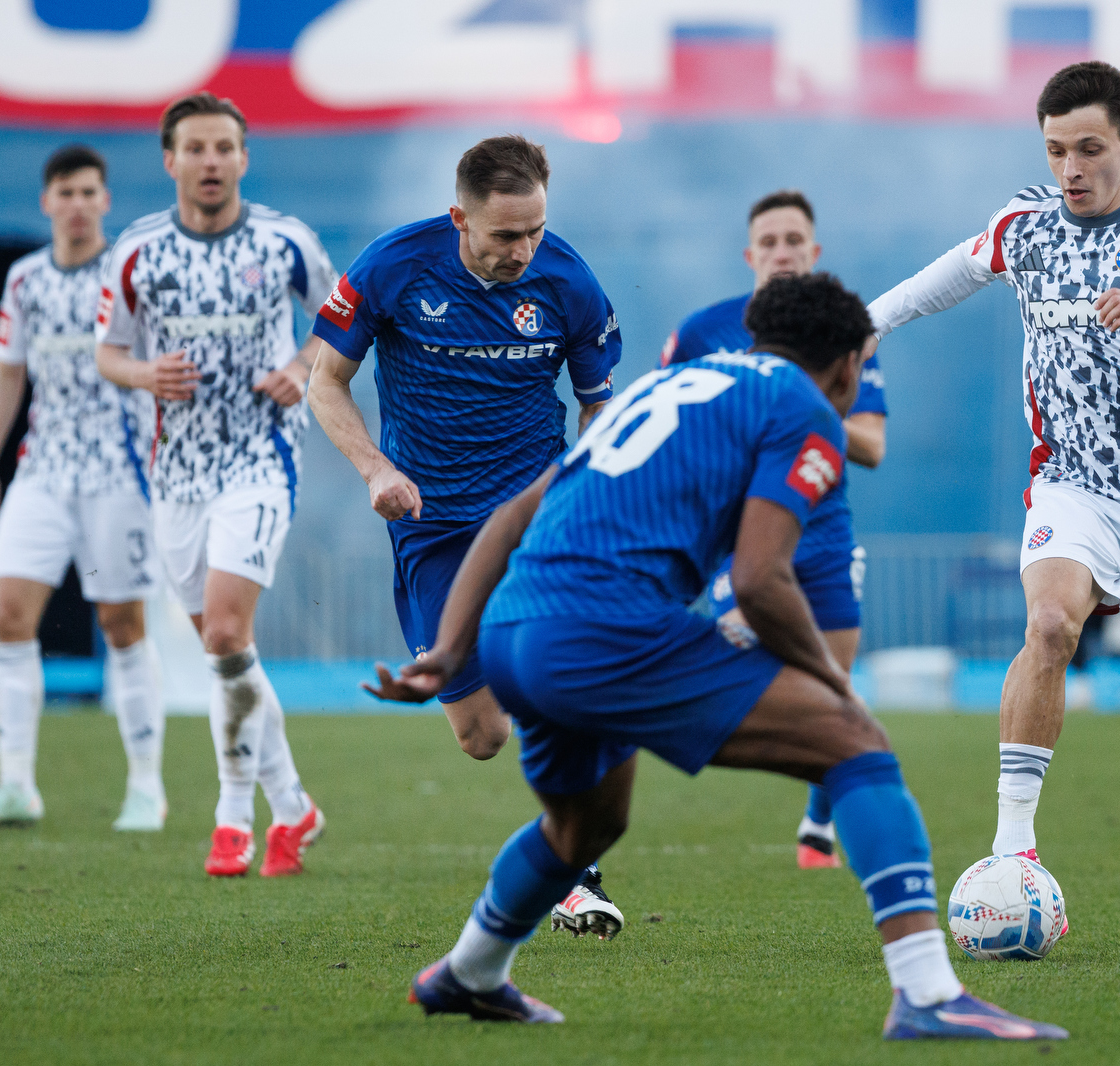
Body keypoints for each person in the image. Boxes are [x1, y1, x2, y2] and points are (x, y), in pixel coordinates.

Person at [366, 273, 1067, 1041]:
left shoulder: (659, 388)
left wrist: (452, 650)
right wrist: (832, 683)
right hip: (605, 628)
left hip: (513, 633)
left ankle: (467, 973)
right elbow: (761, 581)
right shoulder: (804, 407)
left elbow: (508, 520)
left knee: (584, 827)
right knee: (855, 742)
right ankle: (928, 993)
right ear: (845, 368)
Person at [867, 61, 1120, 862]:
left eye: (1089, 148)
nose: (1072, 169)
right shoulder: (1027, 222)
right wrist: (861, 324)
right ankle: (1014, 850)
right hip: (1074, 481)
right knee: (1049, 626)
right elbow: (950, 274)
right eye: (1056, 152)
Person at [308, 133, 626, 937]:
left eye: (536, 232)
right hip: (433, 523)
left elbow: (599, 404)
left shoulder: (569, 281)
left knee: (560, 673)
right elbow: (325, 380)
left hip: (536, 510)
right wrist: (377, 469)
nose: (524, 250)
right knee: (482, 738)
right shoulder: (393, 266)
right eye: (505, 235)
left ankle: (574, 874)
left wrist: (597, 477)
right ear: (460, 218)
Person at [94, 92, 336, 877]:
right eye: (195, 148)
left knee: (228, 635)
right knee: (226, 653)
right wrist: (144, 374)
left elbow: (338, 324)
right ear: (170, 160)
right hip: (178, 472)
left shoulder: (286, 240)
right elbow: (109, 353)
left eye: (224, 148)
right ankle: (295, 807)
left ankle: (234, 815)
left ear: (243, 156)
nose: (210, 162)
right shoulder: (136, 252)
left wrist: (301, 368)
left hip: (260, 458)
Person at [661, 189, 887, 869]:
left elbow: (872, 444)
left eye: (795, 241)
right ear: (749, 255)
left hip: (825, 527)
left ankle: (819, 822)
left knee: (836, 685)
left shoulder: (849, 329)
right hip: (746, 533)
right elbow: (671, 423)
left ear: (814, 252)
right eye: (770, 242)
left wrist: (785, 402)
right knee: (765, 671)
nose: (782, 252)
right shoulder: (701, 333)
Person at [0, 144, 166, 832]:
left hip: (119, 471)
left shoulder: (132, 273)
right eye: (67, 192)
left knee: (121, 623)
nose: (79, 204)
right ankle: (17, 784)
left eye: (90, 191)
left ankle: (146, 785)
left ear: (105, 201)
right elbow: (6, 372)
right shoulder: (26, 279)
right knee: (8, 614)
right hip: (43, 470)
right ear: (47, 202)